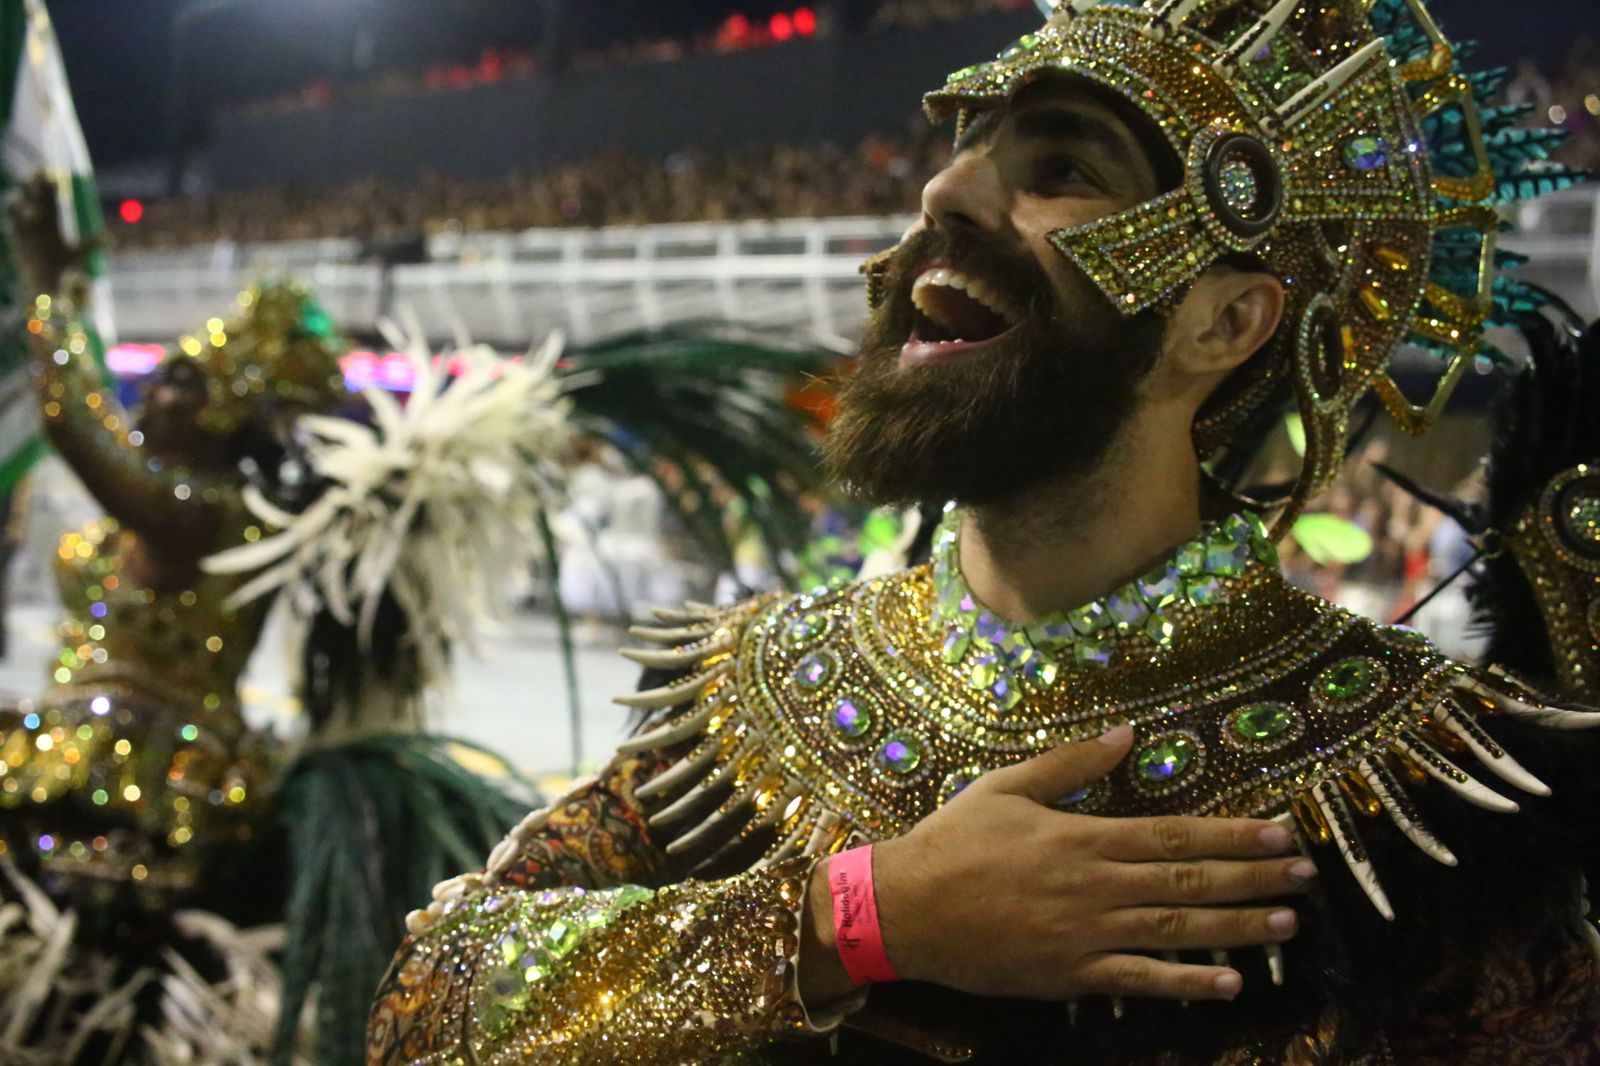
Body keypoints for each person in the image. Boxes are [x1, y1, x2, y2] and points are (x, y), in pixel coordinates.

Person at [367, 0, 1599, 1062]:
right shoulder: (758, 700)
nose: (942, 192)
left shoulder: (1421, 790)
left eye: (1061, 170)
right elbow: (424, 1013)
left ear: (1226, 322)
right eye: (960, 153)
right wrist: (859, 917)